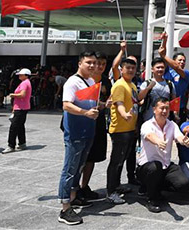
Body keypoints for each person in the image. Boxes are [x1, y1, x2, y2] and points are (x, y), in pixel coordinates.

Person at [58, 52, 100, 226]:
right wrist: (85, 112)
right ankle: (65, 208)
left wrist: (104, 105)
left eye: (94, 63)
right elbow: (66, 105)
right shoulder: (72, 82)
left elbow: (91, 104)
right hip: (75, 133)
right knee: (69, 169)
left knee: (79, 167)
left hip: (88, 132)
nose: (92, 65)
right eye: (88, 62)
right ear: (80, 63)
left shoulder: (90, 81)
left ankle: (73, 197)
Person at [136, 98, 189, 213]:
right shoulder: (147, 125)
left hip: (165, 166)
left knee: (183, 184)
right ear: (154, 109)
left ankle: (155, 187)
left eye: (167, 108)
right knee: (155, 167)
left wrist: (184, 141)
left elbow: (179, 136)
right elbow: (149, 136)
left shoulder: (172, 125)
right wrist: (158, 141)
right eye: (162, 108)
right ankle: (151, 198)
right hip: (147, 167)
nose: (165, 111)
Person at [78, 52, 112, 202]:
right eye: (96, 63)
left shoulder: (106, 81)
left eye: (103, 64)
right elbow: (78, 101)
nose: (99, 66)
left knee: (92, 157)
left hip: (97, 123)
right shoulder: (83, 80)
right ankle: (74, 190)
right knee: (79, 158)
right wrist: (102, 104)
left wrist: (106, 104)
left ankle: (84, 186)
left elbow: (108, 99)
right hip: (81, 122)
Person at [106, 58, 139, 204]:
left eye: (133, 68)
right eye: (127, 68)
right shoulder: (119, 85)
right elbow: (119, 103)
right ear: (121, 69)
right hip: (120, 130)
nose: (130, 70)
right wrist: (124, 114)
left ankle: (117, 186)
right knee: (116, 161)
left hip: (129, 129)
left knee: (121, 160)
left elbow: (134, 103)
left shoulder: (132, 85)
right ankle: (111, 191)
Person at [159, 32, 189, 120]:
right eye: (180, 60)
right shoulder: (167, 70)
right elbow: (162, 56)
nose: (182, 62)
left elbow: (177, 67)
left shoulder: (186, 74)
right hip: (165, 106)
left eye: (184, 61)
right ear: (173, 61)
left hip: (180, 108)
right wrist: (164, 41)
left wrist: (163, 55)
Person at [2, 68, 32, 154]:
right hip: (23, 107)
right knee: (20, 126)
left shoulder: (24, 83)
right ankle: (22, 143)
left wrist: (13, 95)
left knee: (14, 127)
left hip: (20, 107)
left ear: (26, 75)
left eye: (21, 74)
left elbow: (22, 95)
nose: (19, 76)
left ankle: (11, 145)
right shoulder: (27, 82)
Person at [138, 58, 176, 123]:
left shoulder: (170, 84)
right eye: (158, 67)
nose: (160, 69)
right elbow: (139, 97)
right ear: (152, 69)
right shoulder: (146, 83)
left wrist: (175, 114)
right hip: (149, 119)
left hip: (165, 120)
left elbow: (174, 101)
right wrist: (148, 88)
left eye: (162, 67)